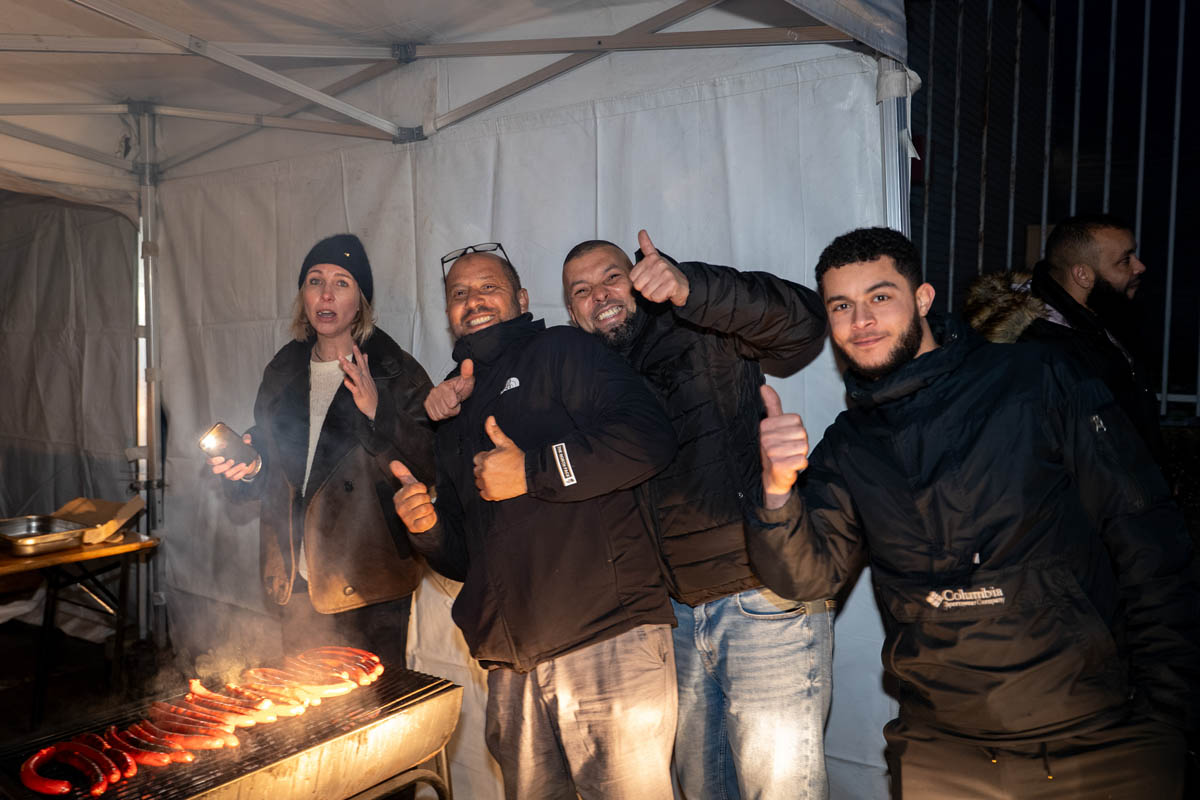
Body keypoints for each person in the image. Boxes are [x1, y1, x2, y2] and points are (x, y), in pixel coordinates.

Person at [750, 226, 1199, 799]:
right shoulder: (849, 445)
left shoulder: (1034, 378)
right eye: (841, 305)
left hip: (1099, 741)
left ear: (923, 299)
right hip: (943, 754)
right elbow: (805, 579)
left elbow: (1147, 536)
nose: (861, 320)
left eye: (880, 296)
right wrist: (777, 491)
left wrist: (1168, 715)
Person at [392, 243, 679, 800]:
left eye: (489, 287)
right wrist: (427, 529)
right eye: (459, 293)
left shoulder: (563, 350)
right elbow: (466, 558)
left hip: (605, 639)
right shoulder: (454, 407)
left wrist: (532, 470)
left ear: (521, 299)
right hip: (512, 666)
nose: (474, 300)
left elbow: (650, 439)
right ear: (448, 313)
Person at [560, 231, 833, 799]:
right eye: (581, 291)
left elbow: (805, 323)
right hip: (675, 621)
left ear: (639, 280)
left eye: (611, 277)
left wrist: (692, 287)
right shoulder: (590, 383)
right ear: (572, 312)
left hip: (761, 599)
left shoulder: (699, 322)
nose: (599, 295)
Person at [209, 233, 434, 669]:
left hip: (369, 581)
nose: (326, 294)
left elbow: (428, 464)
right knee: (304, 702)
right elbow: (277, 460)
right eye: (315, 281)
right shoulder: (283, 370)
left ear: (360, 303)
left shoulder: (394, 372)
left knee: (373, 704)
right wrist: (252, 466)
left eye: (341, 283)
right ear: (304, 297)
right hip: (297, 576)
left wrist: (379, 412)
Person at [964, 213, 1163, 462]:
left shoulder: (1106, 314)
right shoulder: (1038, 348)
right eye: (1125, 260)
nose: (1139, 266)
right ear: (1083, 275)